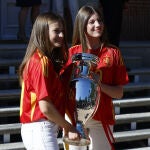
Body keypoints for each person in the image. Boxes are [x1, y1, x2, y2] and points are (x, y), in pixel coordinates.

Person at [62, 4, 129, 150]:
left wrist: (98, 84)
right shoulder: (71, 53)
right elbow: (62, 88)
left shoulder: (113, 52)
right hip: (74, 117)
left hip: (102, 116)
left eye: (100, 21)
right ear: (82, 24)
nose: (98, 25)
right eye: (92, 22)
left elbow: (119, 93)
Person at [18, 12, 80, 150]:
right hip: (40, 127)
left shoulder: (44, 60)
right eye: (56, 31)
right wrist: (68, 126)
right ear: (42, 33)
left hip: (41, 127)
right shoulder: (41, 62)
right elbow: (45, 106)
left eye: (62, 31)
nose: (62, 35)